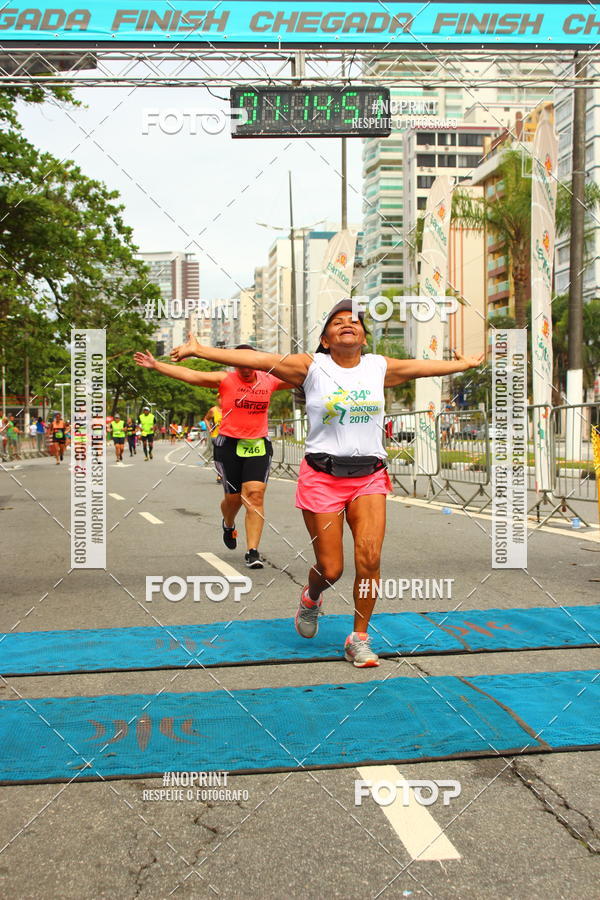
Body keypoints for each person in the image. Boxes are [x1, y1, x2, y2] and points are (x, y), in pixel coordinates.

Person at [168, 301, 483, 666]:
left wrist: (464, 364)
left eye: (354, 321)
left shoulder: (378, 367)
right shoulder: (311, 367)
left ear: (364, 336)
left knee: (370, 558)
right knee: (331, 569)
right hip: (322, 477)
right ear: (325, 338)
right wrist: (197, 350)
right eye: (338, 321)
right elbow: (255, 360)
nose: (347, 325)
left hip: (368, 477)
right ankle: (311, 597)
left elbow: (420, 367)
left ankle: (359, 638)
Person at [134, 343, 293, 568]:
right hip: (228, 445)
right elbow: (190, 374)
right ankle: (228, 524)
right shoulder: (225, 379)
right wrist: (156, 365)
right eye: (240, 363)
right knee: (234, 499)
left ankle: (253, 551)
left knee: (255, 495)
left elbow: (303, 375)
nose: (246, 368)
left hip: (258, 444)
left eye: (250, 362)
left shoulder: (270, 379)